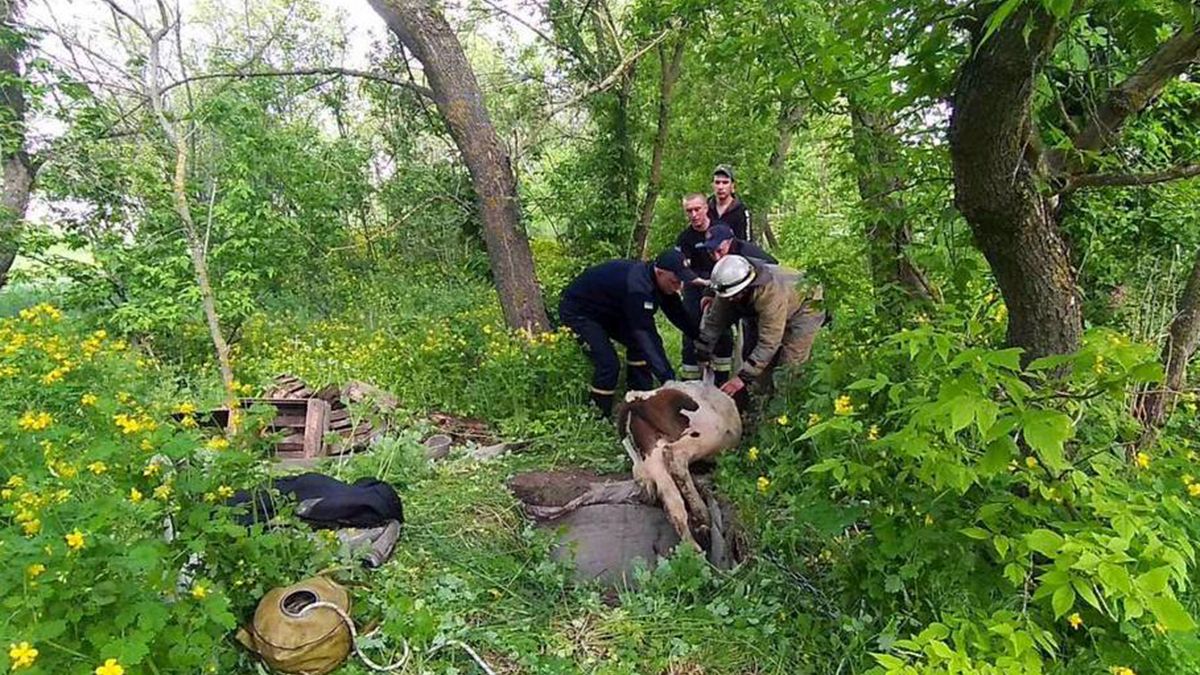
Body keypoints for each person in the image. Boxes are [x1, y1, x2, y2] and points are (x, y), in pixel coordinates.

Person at [558, 249, 699, 417]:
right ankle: (597, 414)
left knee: (638, 346)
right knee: (608, 363)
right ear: (660, 273)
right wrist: (669, 380)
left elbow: (678, 314)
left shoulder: (660, 282)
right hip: (580, 312)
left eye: (682, 282)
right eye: (675, 282)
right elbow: (647, 336)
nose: (679, 287)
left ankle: (639, 398)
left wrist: (700, 337)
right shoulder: (638, 288)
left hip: (611, 310)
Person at [696, 255, 824, 404]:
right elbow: (713, 323)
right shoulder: (728, 289)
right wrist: (703, 351)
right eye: (728, 297)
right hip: (769, 307)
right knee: (757, 365)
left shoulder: (769, 294)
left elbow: (769, 342)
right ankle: (759, 402)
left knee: (789, 364)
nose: (730, 300)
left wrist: (740, 379)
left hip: (806, 305)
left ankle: (785, 409)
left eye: (734, 296)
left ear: (746, 286)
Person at [675, 193, 734, 383]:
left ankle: (722, 380)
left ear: (706, 208)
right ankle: (690, 380)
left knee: (722, 328)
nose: (693, 214)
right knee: (690, 328)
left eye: (697, 209)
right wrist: (701, 282)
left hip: (722, 284)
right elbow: (682, 269)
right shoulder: (684, 238)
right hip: (695, 287)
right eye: (689, 211)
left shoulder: (721, 230)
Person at [708, 165, 752, 242]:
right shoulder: (705, 207)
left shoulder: (741, 211)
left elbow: (746, 242)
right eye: (717, 182)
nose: (720, 187)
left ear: (732, 185)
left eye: (725, 183)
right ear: (712, 185)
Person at [702, 225, 776, 265]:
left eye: (720, 251)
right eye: (711, 253)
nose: (717, 258)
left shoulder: (746, 254)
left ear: (730, 242)